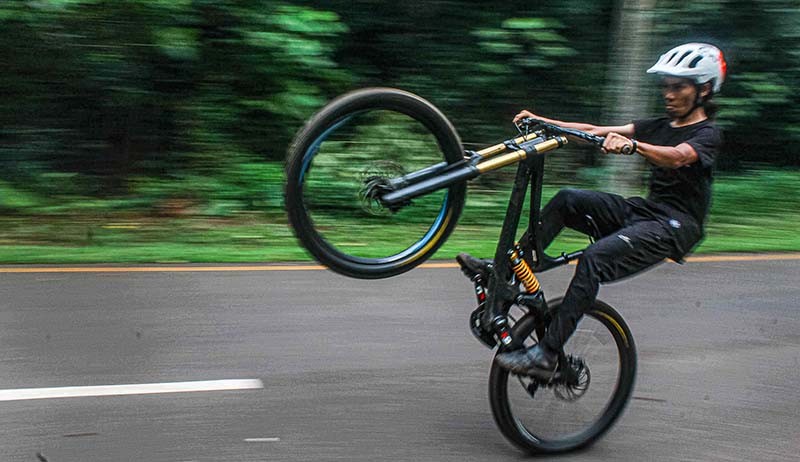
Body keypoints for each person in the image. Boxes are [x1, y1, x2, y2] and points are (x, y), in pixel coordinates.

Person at [458, 42, 727, 378]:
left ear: (703, 90)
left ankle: (547, 354)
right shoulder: (658, 125)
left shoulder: (708, 134)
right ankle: (507, 273)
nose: (669, 94)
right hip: (644, 211)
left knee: (594, 260)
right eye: (665, 87)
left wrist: (634, 146)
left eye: (678, 87)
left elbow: (679, 157)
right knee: (568, 198)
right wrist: (546, 123)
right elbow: (594, 132)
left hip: (674, 226)